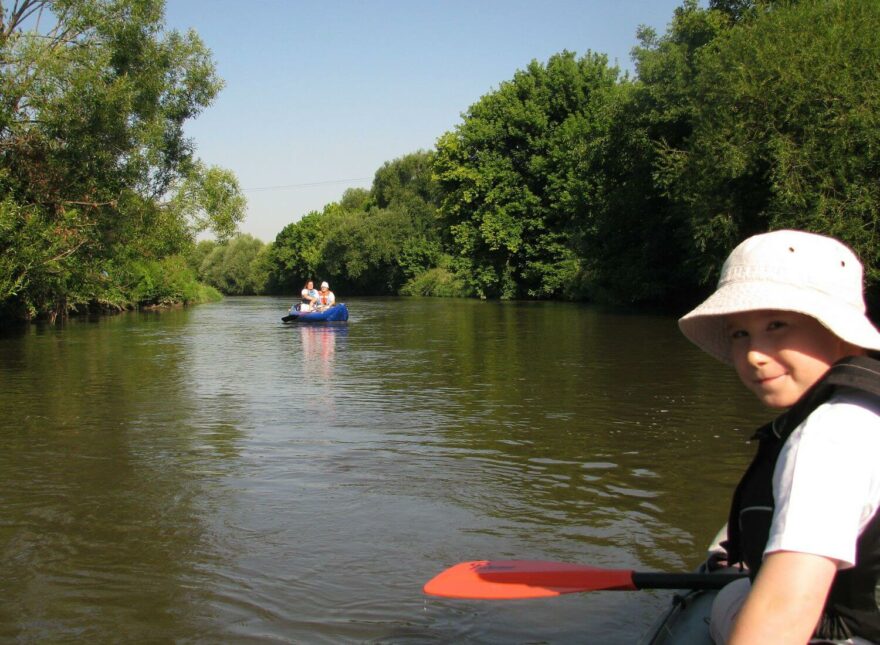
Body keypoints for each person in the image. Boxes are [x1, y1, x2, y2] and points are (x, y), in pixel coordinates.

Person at [677, 229, 880, 644]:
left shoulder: (828, 436)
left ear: (840, 332)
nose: (754, 353)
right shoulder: (866, 410)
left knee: (733, 593)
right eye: (740, 334)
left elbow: (783, 614)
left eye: (777, 325)